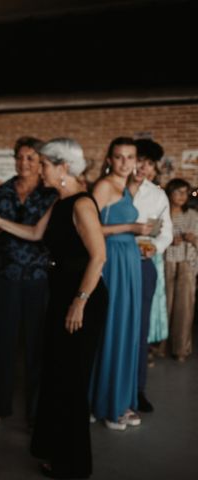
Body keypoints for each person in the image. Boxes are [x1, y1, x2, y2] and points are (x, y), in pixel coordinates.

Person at [0, 138, 107, 479]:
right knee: (59, 375)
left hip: (83, 297)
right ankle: (56, 451)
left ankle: (74, 465)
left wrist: (79, 303)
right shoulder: (60, 202)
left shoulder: (81, 204)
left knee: (72, 380)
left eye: (46, 164)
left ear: (62, 167)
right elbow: (35, 233)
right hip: (62, 292)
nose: (41, 169)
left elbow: (99, 257)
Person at [0, 136, 58, 428]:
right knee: (2, 341)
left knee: (36, 345)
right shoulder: (3, 190)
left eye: (30, 158)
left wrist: (3, 225)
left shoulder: (50, 194)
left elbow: (43, 233)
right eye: (20, 157)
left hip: (38, 276)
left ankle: (36, 410)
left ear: (41, 162)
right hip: (4, 274)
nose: (23, 163)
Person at [90, 137, 150, 431]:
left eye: (131, 157)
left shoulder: (126, 187)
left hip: (129, 261)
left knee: (126, 328)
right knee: (114, 328)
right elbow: (90, 227)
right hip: (112, 259)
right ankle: (107, 405)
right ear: (109, 159)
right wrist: (132, 228)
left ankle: (111, 399)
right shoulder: (102, 186)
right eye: (119, 157)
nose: (125, 162)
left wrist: (136, 185)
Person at [128, 138, 172, 414]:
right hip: (112, 262)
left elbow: (165, 231)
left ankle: (138, 389)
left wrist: (154, 247)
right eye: (139, 160)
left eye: (148, 163)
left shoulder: (157, 195)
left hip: (143, 262)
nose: (143, 167)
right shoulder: (111, 188)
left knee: (140, 329)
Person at [163, 178, 198, 363]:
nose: (182, 196)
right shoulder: (160, 212)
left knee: (185, 309)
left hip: (187, 264)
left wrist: (193, 239)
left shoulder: (193, 214)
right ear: (169, 193)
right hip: (165, 263)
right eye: (177, 192)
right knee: (163, 306)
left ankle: (181, 349)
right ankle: (158, 346)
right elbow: (149, 239)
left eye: (185, 192)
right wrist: (168, 241)